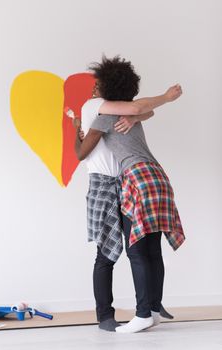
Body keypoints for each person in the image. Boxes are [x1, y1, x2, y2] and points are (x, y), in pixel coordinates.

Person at [75, 55, 184, 332]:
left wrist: (139, 114)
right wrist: (144, 112)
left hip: (131, 179)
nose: (92, 89)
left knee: (136, 249)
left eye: (97, 85)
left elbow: (141, 109)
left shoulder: (105, 112)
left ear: (107, 88)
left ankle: (146, 310)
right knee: (122, 251)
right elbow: (143, 109)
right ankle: (124, 313)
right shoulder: (102, 109)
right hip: (130, 179)